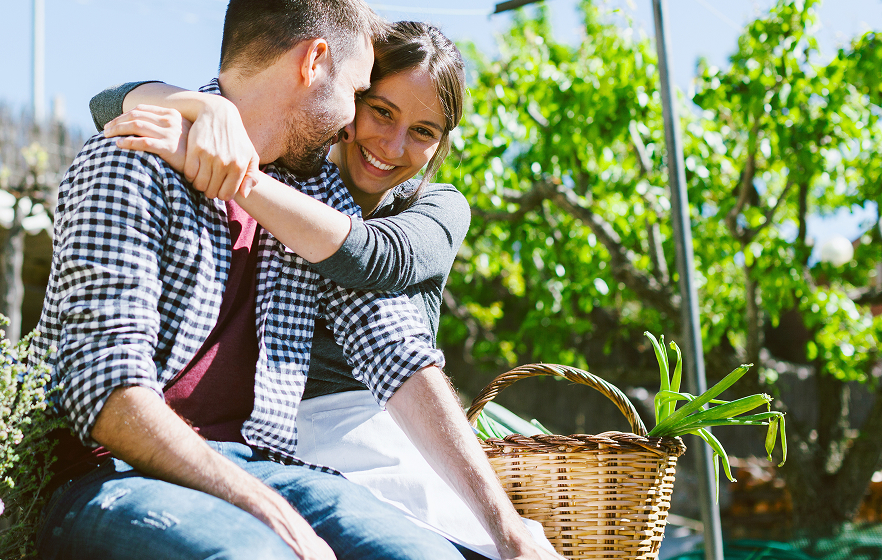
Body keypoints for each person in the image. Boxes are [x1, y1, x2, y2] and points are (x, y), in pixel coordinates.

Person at [34, 2, 559, 560]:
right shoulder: (134, 158)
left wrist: (508, 530)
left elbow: (399, 355)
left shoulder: (312, 195)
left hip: (263, 464)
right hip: (112, 475)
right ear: (314, 61)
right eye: (359, 94)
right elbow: (108, 395)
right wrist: (262, 506)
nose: (352, 123)